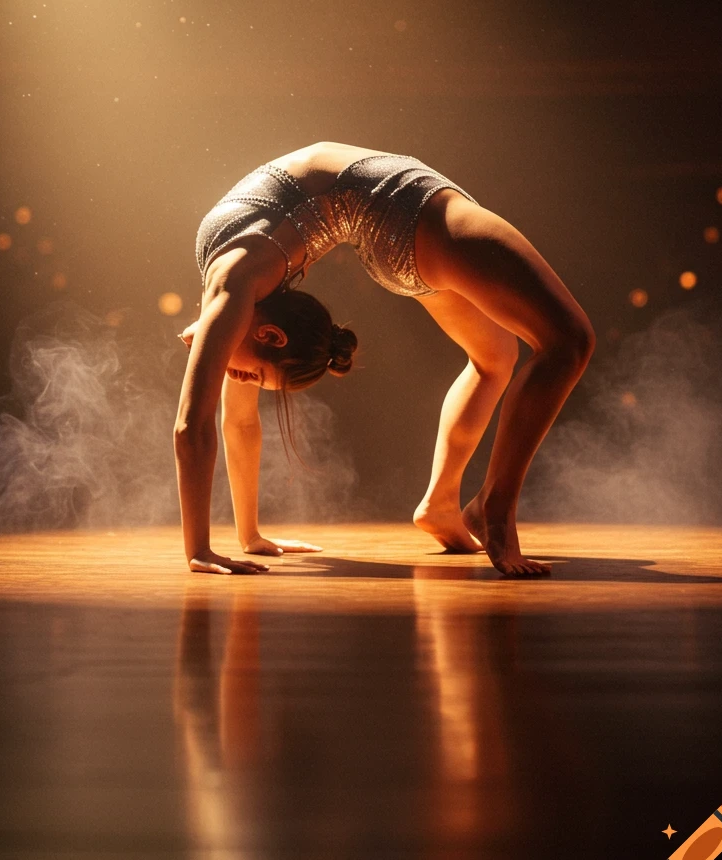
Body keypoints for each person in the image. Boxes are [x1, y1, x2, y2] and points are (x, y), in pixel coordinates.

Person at [174, 142, 595, 578]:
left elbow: (198, 425)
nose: (234, 374)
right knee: (570, 339)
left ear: (271, 335)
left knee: (497, 357)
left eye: (248, 373)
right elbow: (229, 421)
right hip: (407, 214)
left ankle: (441, 502)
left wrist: (221, 544)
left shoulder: (234, 286)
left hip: (393, 219)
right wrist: (222, 544)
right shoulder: (238, 296)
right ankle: (497, 508)